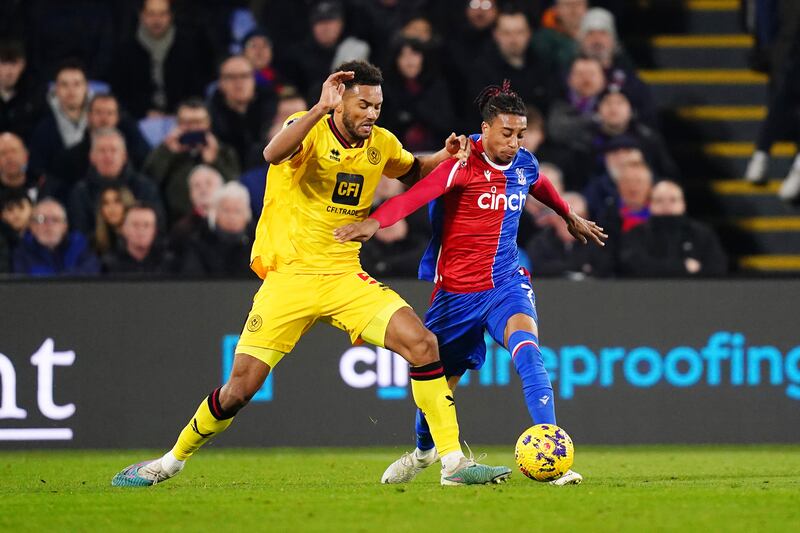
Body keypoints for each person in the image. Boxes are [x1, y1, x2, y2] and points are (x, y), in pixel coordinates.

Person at [111, 61, 510, 488]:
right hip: (290, 278)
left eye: (377, 106)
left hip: (343, 276)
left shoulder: (380, 143)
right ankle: (169, 462)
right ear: (340, 100)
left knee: (423, 343)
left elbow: (412, 170)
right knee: (239, 389)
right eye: (363, 105)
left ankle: (453, 464)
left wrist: (443, 157)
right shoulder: (308, 127)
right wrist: (318, 109)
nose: (372, 114)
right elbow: (272, 154)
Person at [335, 81, 607, 486]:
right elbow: (416, 196)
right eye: (506, 133)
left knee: (528, 350)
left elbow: (542, 186)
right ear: (486, 128)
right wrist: (376, 221)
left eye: (521, 133)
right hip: (456, 295)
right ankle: (426, 452)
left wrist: (567, 214)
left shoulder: (525, 163)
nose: (515, 142)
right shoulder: (462, 164)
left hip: (505, 283)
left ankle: (552, 458)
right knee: (439, 383)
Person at [142, 99, 239, 222]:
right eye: (186, 123)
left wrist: (214, 161)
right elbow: (149, 183)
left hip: (217, 221)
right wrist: (167, 153)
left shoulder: (224, 152)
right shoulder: (165, 151)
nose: (193, 128)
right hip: (175, 221)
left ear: (208, 123)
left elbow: (235, 188)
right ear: (177, 124)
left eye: (198, 122)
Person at [112, 0, 210, 119]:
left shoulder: (188, 47)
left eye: (162, 14)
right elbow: (120, 93)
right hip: (137, 119)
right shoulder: (126, 50)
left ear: (170, 16)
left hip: (183, 117)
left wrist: (180, 111)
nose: (157, 20)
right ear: (142, 16)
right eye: (151, 14)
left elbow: (197, 88)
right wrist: (143, 112)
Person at [620, 181, 728, 277]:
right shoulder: (637, 234)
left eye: (673, 200)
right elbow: (633, 265)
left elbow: (718, 268)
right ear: (650, 204)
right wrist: (683, 267)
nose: (666, 205)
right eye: (659, 200)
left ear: (683, 204)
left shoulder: (702, 234)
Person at [68, 128, 163, 235]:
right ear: (92, 157)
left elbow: (158, 228)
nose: (108, 156)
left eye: (113, 150)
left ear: (124, 156)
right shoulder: (80, 192)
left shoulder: (146, 187)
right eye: (102, 150)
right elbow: (79, 233)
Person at [55, 93, 151, 187]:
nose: (104, 119)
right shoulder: (70, 157)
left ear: (117, 118)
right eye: (98, 112)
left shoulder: (134, 153)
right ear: (89, 116)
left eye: (110, 113)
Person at [28, 60, 90, 185]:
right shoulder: (43, 126)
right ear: (56, 89)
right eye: (64, 85)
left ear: (86, 88)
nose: (71, 90)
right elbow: (37, 168)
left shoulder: (102, 117)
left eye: (77, 84)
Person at [208, 55, 277, 169]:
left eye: (244, 76)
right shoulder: (209, 116)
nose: (239, 82)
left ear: (254, 80)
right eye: (231, 77)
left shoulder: (273, 109)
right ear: (220, 82)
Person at [527, 191, 613, 278]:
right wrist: (579, 267)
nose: (573, 224)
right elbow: (538, 270)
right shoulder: (540, 242)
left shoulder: (597, 242)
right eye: (565, 218)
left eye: (579, 218)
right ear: (555, 219)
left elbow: (604, 272)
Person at [181, 182, 253, 278]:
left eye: (237, 211)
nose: (231, 217)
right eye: (226, 210)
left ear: (247, 215)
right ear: (215, 213)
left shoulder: (258, 244)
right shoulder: (200, 242)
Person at [12, 197, 100, 276]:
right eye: (41, 219)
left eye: (55, 219)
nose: (48, 225)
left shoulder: (79, 247)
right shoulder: (22, 252)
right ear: (32, 226)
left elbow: (90, 274)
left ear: (65, 226)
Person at [103, 203, 175, 275]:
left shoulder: (169, 264)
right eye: (135, 225)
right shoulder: (109, 264)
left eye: (146, 225)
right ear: (123, 229)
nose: (141, 231)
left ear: (155, 231)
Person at [169, 165, 224, 256]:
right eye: (197, 185)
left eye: (208, 183)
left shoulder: (234, 224)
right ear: (190, 194)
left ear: (221, 187)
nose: (203, 189)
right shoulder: (181, 230)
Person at [0, 40, 45, 141]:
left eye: (14, 63)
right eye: (3, 63)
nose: (9, 71)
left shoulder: (35, 97)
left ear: (22, 64)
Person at [92, 184, 136, 256]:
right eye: (106, 203)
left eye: (117, 201)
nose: (111, 208)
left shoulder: (142, 240)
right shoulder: (96, 244)